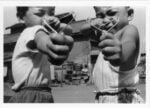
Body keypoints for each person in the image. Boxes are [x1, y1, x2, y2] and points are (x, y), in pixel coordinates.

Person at [8, 6, 74, 103]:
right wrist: (49, 45)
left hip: (41, 93)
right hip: (30, 95)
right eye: (39, 14)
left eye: (51, 14)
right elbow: (41, 39)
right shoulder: (31, 30)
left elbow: (69, 30)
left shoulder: (44, 31)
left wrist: (58, 25)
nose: (47, 18)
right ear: (22, 18)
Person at [90, 6, 144, 103]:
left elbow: (125, 51)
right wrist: (93, 24)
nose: (105, 20)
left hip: (122, 99)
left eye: (111, 13)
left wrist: (119, 55)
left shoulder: (130, 30)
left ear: (129, 14)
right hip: (103, 98)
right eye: (100, 16)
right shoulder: (106, 36)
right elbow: (83, 30)